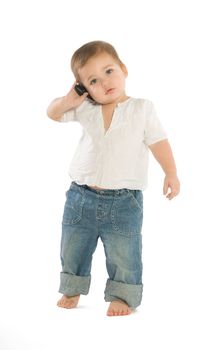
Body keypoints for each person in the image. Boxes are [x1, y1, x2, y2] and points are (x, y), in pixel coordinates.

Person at [47, 40, 180, 316]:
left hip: (123, 201)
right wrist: (67, 100)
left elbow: (158, 142)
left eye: (109, 71)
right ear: (83, 88)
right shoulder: (84, 108)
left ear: (123, 69)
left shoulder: (142, 109)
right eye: (93, 80)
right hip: (80, 196)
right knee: (73, 244)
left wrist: (171, 172)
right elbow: (52, 113)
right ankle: (71, 285)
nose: (104, 82)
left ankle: (122, 295)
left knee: (124, 250)